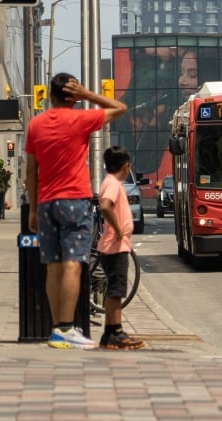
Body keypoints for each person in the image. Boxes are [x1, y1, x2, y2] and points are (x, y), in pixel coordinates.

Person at [25, 73, 127, 349]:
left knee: (53, 266)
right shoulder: (81, 119)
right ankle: (67, 328)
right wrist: (88, 95)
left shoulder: (35, 125)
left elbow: (31, 171)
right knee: (73, 263)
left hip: (46, 203)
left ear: (50, 96)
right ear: (73, 97)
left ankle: (57, 329)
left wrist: (33, 209)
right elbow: (119, 108)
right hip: (75, 199)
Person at [97, 146, 146, 350]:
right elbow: (105, 206)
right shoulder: (114, 185)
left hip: (113, 244)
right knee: (116, 291)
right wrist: (118, 229)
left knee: (113, 290)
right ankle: (117, 332)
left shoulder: (111, 182)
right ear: (126, 166)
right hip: (115, 245)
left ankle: (109, 332)